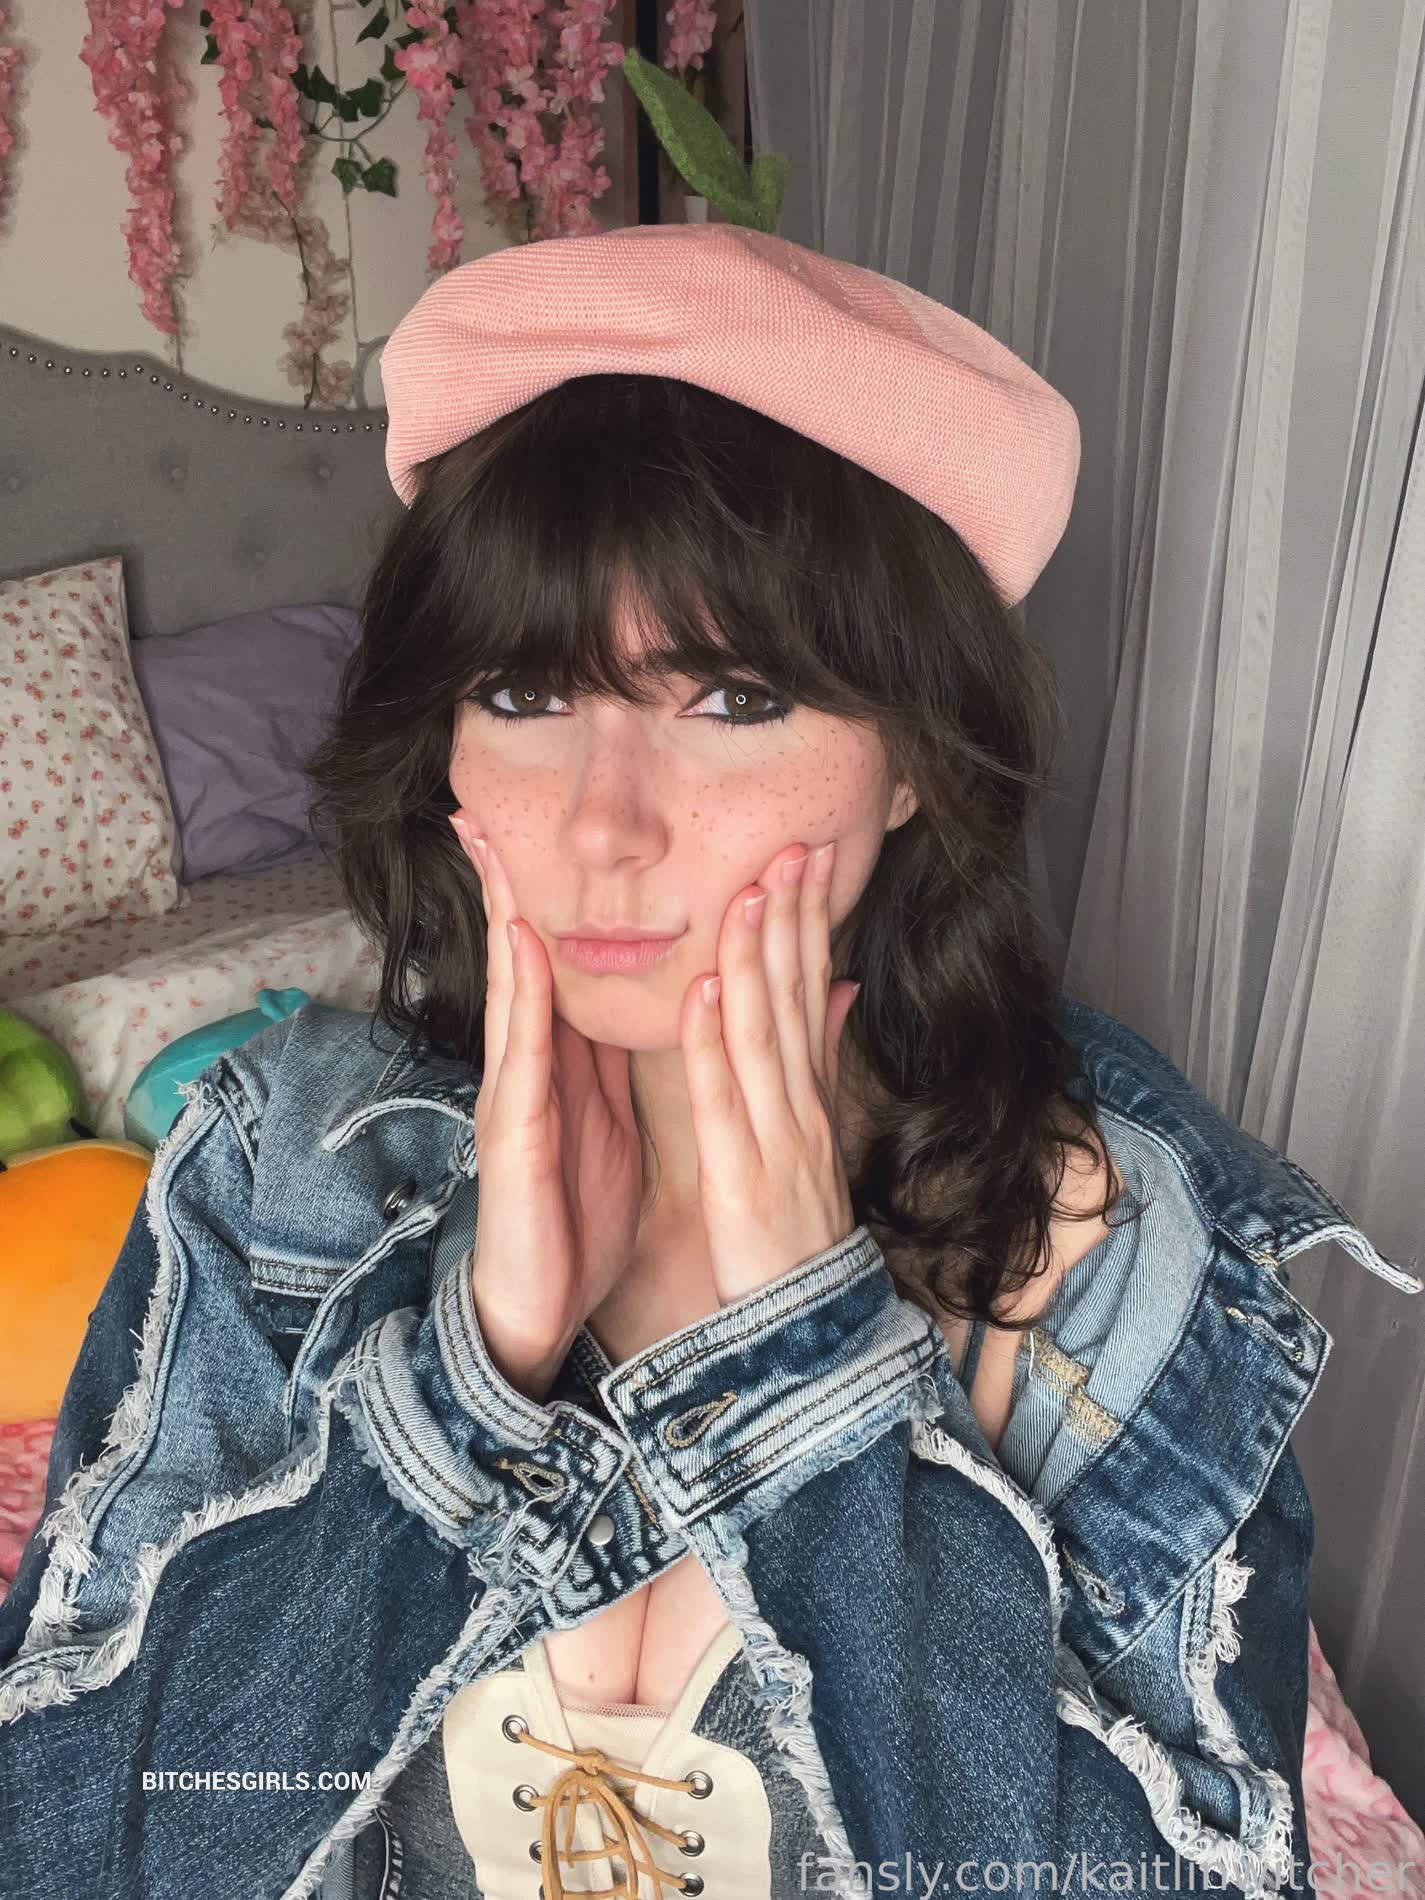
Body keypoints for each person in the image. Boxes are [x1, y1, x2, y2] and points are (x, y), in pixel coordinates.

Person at [0, 223, 1418, 1900]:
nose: (604, 824)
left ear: (912, 763)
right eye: (521, 694)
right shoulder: (287, 1166)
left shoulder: (1105, 1244)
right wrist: (469, 1380)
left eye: (736, 698)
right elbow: (81, 1847)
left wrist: (807, 1374)